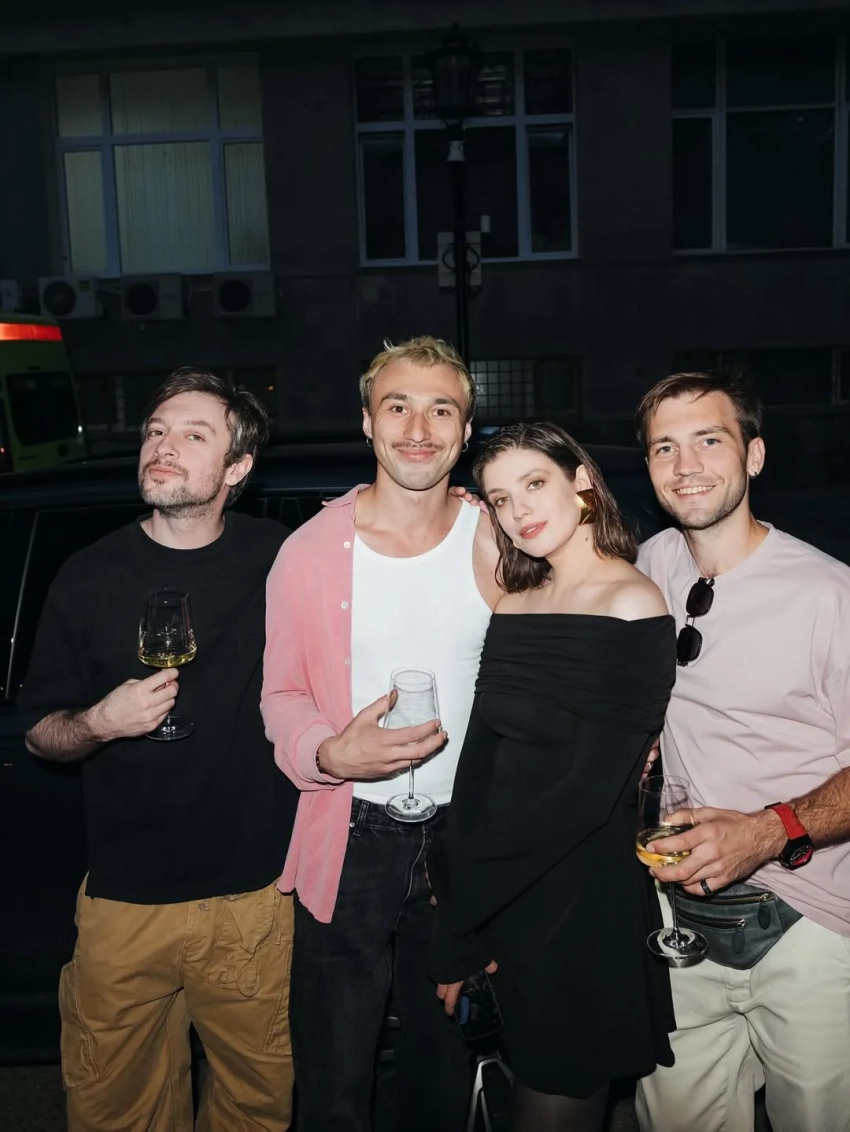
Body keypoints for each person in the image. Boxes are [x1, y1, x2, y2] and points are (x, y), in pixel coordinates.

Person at [20, 368, 297, 1132]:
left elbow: (377, 543)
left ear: (237, 468)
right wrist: (100, 723)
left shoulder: (281, 559)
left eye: (193, 435)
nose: (163, 446)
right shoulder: (88, 575)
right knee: (116, 1109)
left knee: (255, 1106)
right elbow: (41, 731)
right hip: (124, 900)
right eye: (155, 431)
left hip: (251, 901)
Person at [260, 335, 501, 1132]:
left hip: (465, 846)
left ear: (466, 431)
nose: (418, 429)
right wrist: (330, 754)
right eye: (398, 407)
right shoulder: (307, 552)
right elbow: (282, 695)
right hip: (349, 839)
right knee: (333, 1083)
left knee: (443, 1072)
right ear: (367, 421)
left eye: (441, 410)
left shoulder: (500, 538)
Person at [428, 422, 677, 1132]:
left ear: (582, 482)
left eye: (534, 484)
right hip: (503, 888)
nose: (519, 510)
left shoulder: (633, 604)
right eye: (501, 499)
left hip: (577, 902)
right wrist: (457, 891)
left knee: (555, 1093)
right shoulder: (514, 603)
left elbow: (581, 798)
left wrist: (469, 907)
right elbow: (480, 764)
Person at [633, 371, 850, 1132]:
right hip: (679, 919)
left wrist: (768, 830)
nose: (685, 465)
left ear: (754, 456)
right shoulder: (649, 565)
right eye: (664, 447)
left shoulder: (827, 593)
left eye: (709, 441)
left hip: (809, 922)